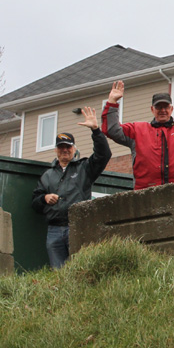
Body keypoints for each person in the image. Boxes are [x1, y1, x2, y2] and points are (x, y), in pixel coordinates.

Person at [30, 107, 111, 268]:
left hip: (77, 227)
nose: (65, 150)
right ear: (56, 150)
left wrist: (96, 131)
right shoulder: (47, 175)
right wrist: (44, 198)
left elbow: (104, 155)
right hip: (53, 230)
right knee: (58, 274)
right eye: (61, 147)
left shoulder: (84, 168)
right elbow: (35, 202)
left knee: (80, 270)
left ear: (74, 149)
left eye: (68, 147)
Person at [101, 79, 174, 189]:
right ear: (152, 109)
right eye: (159, 107)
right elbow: (112, 130)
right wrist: (112, 102)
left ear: (171, 109)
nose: (163, 110)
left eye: (166, 107)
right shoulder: (137, 130)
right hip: (145, 194)